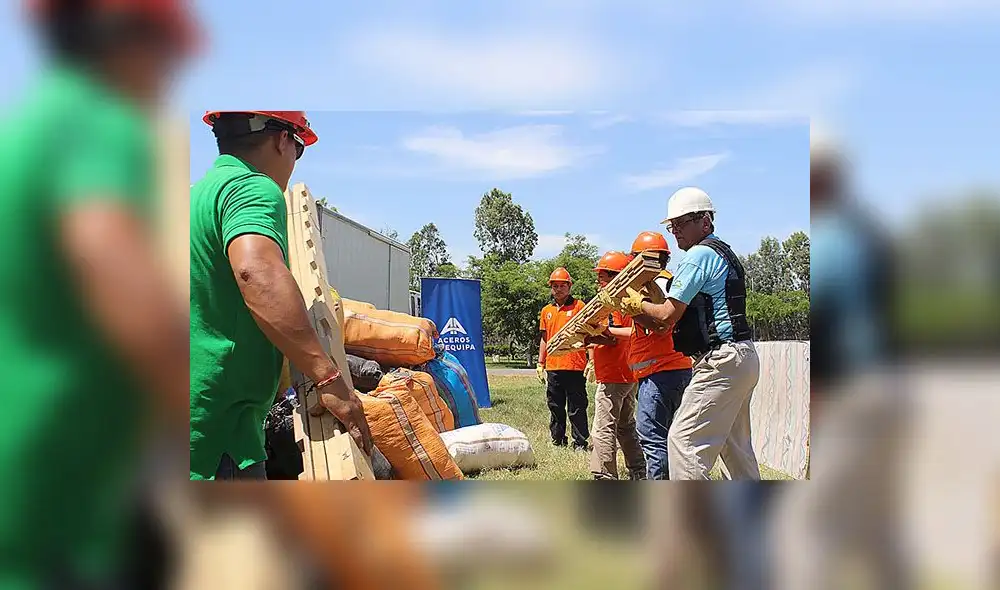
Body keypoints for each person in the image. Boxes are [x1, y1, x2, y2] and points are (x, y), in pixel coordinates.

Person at [0, 1, 196, 587]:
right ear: (127, 41)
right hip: (69, 484)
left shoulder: (26, 129)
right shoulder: (95, 120)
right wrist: (185, 408)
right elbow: (106, 253)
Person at [190, 110, 372, 481]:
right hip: (222, 428)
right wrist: (328, 378)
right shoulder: (252, 188)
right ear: (282, 139)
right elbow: (255, 272)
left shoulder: (199, 196)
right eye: (299, 147)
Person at [605, 188, 761, 480]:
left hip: (720, 360)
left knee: (683, 442)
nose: (675, 231)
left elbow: (666, 316)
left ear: (705, 220)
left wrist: (636, 305)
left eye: (681, 223)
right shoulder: (723, 252)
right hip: (743, 357)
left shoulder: (698, 255)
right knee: (735, 447)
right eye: (672, 225)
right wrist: (639, 309)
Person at [600, 232, 693, 479]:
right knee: (670, 437)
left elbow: (661, 325)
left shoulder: (658, 285)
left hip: (661, 372)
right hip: (668, 370)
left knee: (653, 439)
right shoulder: (659, 284)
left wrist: (628, 307)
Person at [584, 251, 646, 480]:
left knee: (604, 426)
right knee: (625, 426)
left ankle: (604, 474)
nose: (599, 280)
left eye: (603, 275)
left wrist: (595, 335)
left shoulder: (614, 303)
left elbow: (617, 336)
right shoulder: (629, 298)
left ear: (615, 276)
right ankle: (639, 469)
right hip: (628, 372)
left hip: (614, 374)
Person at [536, 267, 590, 450]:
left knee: (577, 406)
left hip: (575, 366)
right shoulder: (546, 311)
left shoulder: (579, 307)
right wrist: (540, 362)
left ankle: (580, 442)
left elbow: (588, 333)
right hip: (553, 366)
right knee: (555, 406)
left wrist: (592, 359)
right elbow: (545, 338)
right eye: (555, 286)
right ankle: (558, 439)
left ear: (569, 286)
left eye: (562, 285)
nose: (558, 289)